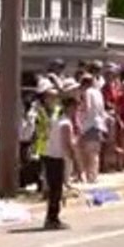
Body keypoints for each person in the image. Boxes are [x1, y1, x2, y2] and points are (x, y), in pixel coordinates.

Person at [43, 93, 81, 230]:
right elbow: (67, 144)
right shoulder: (65, 123)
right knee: (56, 190)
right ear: (70, 107)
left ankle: (52, 217)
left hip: (50, 155)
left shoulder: (57, 119)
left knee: (55, 189)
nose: (77, 111)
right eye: (76, 107)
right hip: (56, 157)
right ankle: (52, 219)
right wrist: (75, 163)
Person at [77, 72, 107, 184]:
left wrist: (80, 115)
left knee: (89, 152)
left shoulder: (87, 92)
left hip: (89, 125)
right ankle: (94, 176)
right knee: (95, 153)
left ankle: (90, 176)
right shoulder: (98, 93)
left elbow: (87, 107)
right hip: (99, 124)